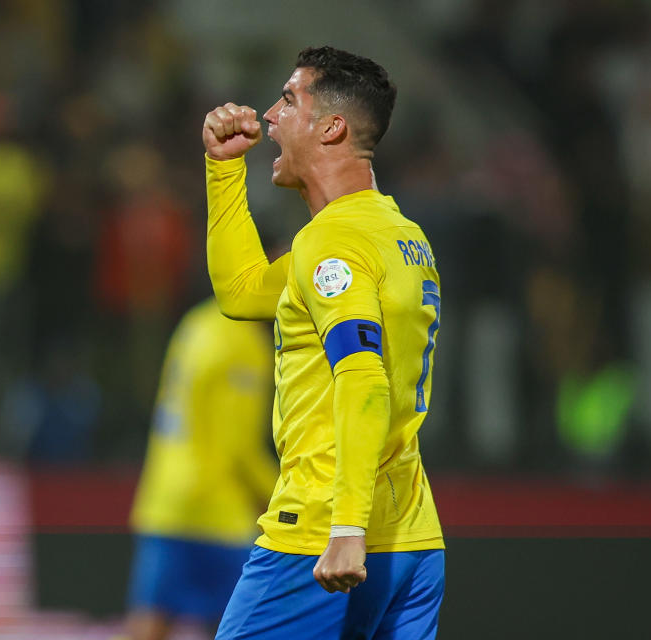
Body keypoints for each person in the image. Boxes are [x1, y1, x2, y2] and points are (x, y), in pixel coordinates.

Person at [202, 47, 446, 639]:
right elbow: (241, 292)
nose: (270, 115)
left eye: (288, 100)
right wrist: (223, 169)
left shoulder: (331, 244)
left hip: (323, 532)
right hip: (412, 537)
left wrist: (344, 528)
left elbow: (362, 380)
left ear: (330, 127)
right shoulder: (399, 237)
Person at [126, 297, 278, 640]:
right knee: (242, 626)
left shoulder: (197, 322)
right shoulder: (244, 343)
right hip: (216, 511)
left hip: (165, 500)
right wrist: (285, 496)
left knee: (149, 624)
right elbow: (238, 449)